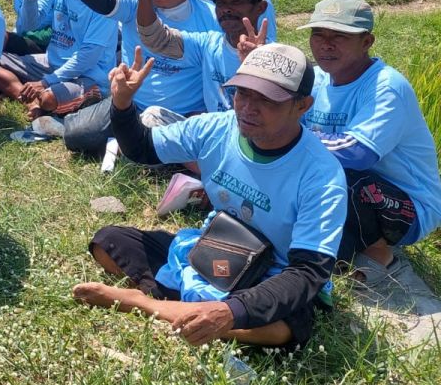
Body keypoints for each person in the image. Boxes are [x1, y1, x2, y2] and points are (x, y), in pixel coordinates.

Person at [75, 43, 346, 349]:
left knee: (285, 325)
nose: (247, 108)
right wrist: (123, 105)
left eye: (267, 100)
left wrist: (231, 311)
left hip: (272, 276)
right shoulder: (217, 128)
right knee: (108, 242)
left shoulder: (322, 175)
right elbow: (141, 148)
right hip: (216, 253)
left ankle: (147, 304)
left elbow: (308, 272)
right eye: (242, 93)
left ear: (302, 105)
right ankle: (198, 314)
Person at [295, 0, 441, 276]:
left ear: (367, 42)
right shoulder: (318, 79)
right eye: (318, 34)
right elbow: (278, 114)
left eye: (339, 35)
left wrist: (285, 138)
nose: (326, 43)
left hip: (408, 206)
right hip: (360, 192)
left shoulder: (385, 87)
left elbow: (358, 154)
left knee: (340, 175)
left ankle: (379, 253)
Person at [57, 0, 218, 156]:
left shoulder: (211, 17)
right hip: (131, 104)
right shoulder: (134, 2)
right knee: (77, 136)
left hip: (182, 114)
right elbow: (105, 1)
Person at [0, 0, 115, 120]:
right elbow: (29, 26)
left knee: (49, 98)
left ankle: (63, 99)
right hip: (52, 62)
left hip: (88, 73)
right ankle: (30, 99)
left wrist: (46, 82)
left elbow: (89, 56)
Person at [136, 0, 272, 114]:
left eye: (236, 2)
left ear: (260, 8)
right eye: (221, 3)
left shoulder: (274, 56)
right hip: (214, 131)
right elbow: (156, 38)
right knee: (153, 115)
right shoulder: (208, 45)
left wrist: (258, 64)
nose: (226, 9)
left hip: (251, 133)